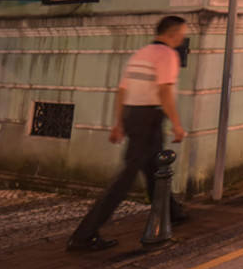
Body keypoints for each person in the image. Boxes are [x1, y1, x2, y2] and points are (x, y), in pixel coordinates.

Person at [67, 16, 190, 252]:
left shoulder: (141, 53)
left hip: (133, 115)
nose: (183, 38)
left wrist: (119, 123)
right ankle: (84, 234)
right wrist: (176, 123)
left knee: (154, 169)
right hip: (149, 117)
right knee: (126, 177)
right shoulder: (167, 56)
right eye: (182, 33)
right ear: (173, 34)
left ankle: (173, 212)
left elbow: (122, 90)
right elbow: (164, 91)